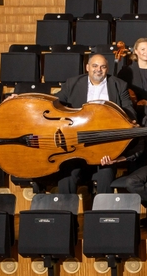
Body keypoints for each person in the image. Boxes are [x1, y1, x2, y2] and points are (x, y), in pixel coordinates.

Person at [53, 53, 135, 194]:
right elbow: (52, 104)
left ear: (107, 69)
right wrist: (20, 98)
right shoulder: (73, 83)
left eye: (103, 66)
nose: (99, 69)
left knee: (106, 176)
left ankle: (101, 215)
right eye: (95, 66)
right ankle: (66, 214)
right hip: (77, 144)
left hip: (105, 144)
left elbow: (130, 111)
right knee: (67, 176)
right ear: (87, 67)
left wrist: (125, 120)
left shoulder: (119, 85)